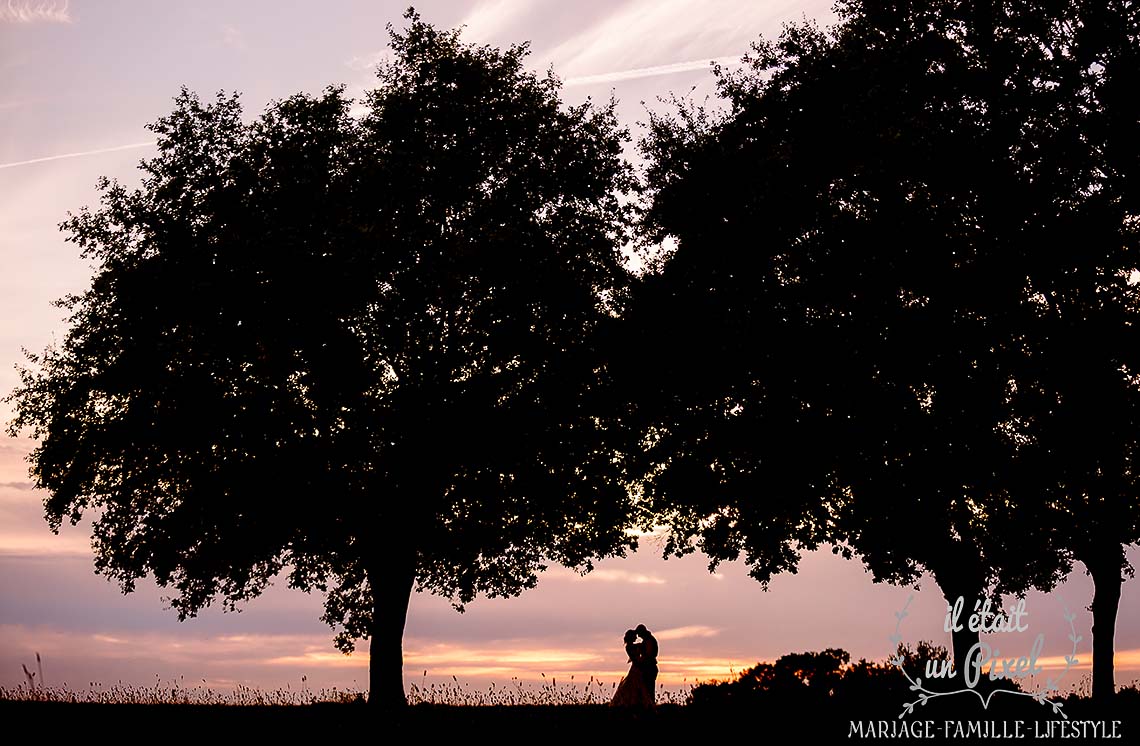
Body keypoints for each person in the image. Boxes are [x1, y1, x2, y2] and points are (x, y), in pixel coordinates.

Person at [609, 629, 653, 707]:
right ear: (631, 637)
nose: (636, 638)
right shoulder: (630, 647)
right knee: (634, 684)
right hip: (636, 667)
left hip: (636, 666)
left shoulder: (632, 646)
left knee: (635, 684)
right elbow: (635, 657)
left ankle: (635, 701)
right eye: (635, 636)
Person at [636, 623, 659, 701]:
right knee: (647, 690)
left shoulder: (649, 640)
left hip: (649, 667)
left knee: (649, 689)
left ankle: (650, 705)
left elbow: (649, 654)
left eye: (639, 634)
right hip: (648, 667)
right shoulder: (647, 640)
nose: (638, 636)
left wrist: (640, 660)